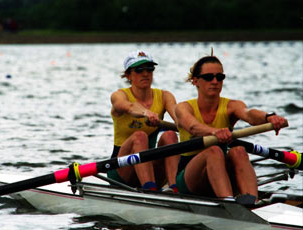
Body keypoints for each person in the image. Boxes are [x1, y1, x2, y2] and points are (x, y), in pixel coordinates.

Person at [175, 54, 288, 202]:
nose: (215, 82)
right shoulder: (183, 107)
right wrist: (214, 132)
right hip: (190, 178)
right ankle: (229, 202)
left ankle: (252, 202)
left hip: (220, 171)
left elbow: (250, 115)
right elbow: (192, 127)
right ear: (196, 81)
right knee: (214, 150)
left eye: (220, 77)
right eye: (209, 77)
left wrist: (269, 117)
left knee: (239, 151)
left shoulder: (232, 106)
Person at [107, 50, 180, 192]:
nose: (145, 73)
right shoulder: (119, 95)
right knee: (140, 136)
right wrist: (146, 112)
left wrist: (196, 127)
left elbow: (180, 119)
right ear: (128, 75)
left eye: (149, 69)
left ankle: (175, 188)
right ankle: (150, 189)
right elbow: (129, 107)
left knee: (170, 134)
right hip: (121, 170)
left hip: (151, 165)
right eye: (139, 70)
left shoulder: (165, 96)